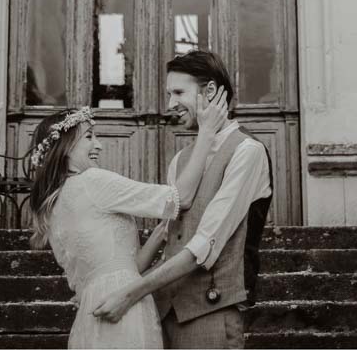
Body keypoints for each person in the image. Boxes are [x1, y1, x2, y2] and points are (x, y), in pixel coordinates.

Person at [92, 50, 273, 349]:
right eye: (168, 93)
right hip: (162, 313)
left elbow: (205, 244)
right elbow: (170, 235)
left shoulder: (247, 152)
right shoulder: (181, 160)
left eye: (178, 92)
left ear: (211, 91)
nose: (170, 104)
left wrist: (129, 294)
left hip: (211, 313)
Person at [26, 87, 229, 349]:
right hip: (124, 308)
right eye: (89, 136)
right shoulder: (92, 181)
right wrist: (207, 133)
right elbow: (181, 198)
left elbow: (126, 267)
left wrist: (161, 233)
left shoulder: (52, 203)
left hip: (95, 310)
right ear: (65, 147)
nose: (98, 144)